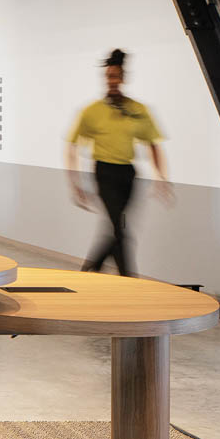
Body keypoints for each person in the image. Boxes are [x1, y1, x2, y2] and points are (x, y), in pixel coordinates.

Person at [65, 48, 171, 277]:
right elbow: (72, 145)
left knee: (117, 230)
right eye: (109, 77)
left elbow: (153, 143)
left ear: (123, 78)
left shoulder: (137, 110)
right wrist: (75, 183)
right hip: (104, 173)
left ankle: (90, 270)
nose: (112, 81)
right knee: (120, 231)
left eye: (116, 76)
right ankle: (128, 278)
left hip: (127, 175)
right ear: (105, 79)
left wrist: (160, 176)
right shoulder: (91, 111)